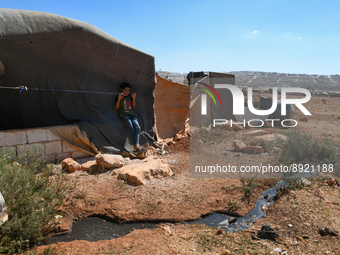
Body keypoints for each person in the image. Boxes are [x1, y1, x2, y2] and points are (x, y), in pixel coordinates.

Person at [115, 82, 141, 151]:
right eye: (125, 90)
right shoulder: (119, 97)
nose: (127, 92)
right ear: (121, 90)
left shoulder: (130, 97)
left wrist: (134, 98)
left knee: (137, 127)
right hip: (124, 116)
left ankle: (136, 144)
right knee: (131, 127)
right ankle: (136, 145)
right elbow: (117, 107)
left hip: (132, 115)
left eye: (128, 90)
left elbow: (133, 106)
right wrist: (119, 99)